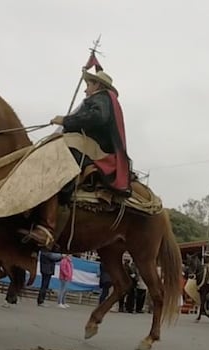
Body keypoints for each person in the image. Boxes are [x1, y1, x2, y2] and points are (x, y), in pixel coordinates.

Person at [20, 69, 131, 249]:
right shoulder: (105, 100)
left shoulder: (101, 98)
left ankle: (47, 225)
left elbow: (97, 117)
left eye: (89, 85)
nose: (86, 90)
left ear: (98, 86)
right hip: (87, 146)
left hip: (92, 150)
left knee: (55, 165)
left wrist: (66, 120)